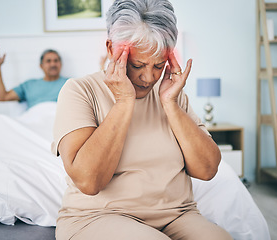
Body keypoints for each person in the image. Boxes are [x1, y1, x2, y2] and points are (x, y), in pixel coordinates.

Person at [51, 0, 232, 239]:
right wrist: (124, 102)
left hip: (177, 215)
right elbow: (88, 181)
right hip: (97, 216)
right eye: (137, 65)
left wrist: (171, 104)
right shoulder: (80, 90)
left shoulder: (171, 93)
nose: (148, 78)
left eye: (159, 65)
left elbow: (208, 169)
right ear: (110, 48)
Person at [0, 45, 69, 109]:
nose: (53, 64)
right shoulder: (29, 85)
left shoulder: (70, 83)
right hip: (34, 122)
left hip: (58, 122)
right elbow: (2, 97)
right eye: (48, 61)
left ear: (60, 64)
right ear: (41, 66)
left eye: (56, 61)